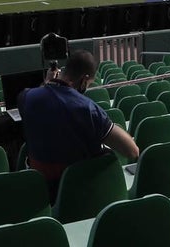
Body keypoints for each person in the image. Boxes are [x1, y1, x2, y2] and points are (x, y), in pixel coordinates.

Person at [18, 50, 139, 198]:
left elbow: (45, 101)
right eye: (88, 84)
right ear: (84, 79)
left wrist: (47, 83)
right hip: (79, 193)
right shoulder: (88, 109)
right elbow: (132, 151)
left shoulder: (25, 98)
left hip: (40, 190)